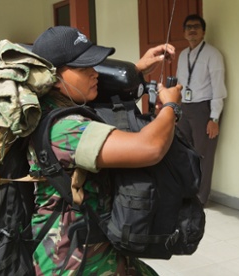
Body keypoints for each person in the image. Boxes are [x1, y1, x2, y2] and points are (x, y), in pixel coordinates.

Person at [29, 26, 182, 275]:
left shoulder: (60, 104)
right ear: (53, 78)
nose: (95, 74)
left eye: (95, 65)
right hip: (70, 261)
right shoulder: (63, 128)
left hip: (94, 247)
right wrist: (171, 107)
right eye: (83, 68)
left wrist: (137, 70)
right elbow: (150, 147)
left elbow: (99, 91)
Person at [176, 14, 228, 205]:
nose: (192, 30)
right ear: (184, 32)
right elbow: (180, 84)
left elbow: (218, 88)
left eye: (196, 27)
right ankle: (186, 192)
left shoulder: (212, 54)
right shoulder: (183, 55)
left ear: (203, 31)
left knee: (203, 155)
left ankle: (200, 198)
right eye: (188, 27)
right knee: (183, 152)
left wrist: (214, 118)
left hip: (203, 110)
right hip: (185, 108)